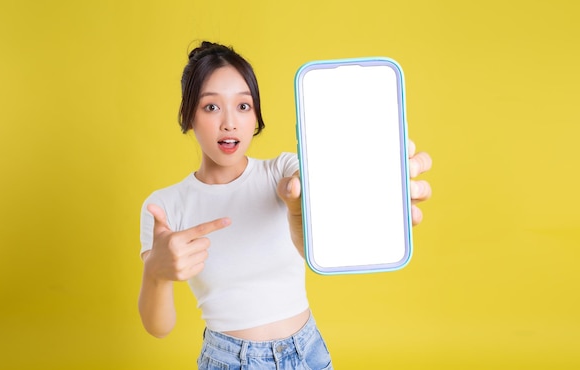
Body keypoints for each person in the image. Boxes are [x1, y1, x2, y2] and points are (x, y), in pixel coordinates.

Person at [138, 41, 432, 370]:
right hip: (228, 360)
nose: (230, 122)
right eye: (211, 107)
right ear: (189, 115)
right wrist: (156, 274)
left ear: (256, 115)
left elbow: (321, 184)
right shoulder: (164, 207)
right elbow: (158, 327)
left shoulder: (282, 171)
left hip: (308, 352)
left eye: (244, 106)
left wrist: (372, 180)